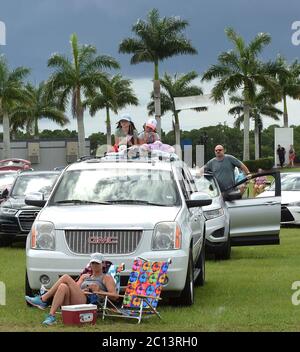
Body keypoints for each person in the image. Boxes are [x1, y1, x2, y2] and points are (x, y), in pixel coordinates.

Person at [25, 253, 117, 326]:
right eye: (92, 263)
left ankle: (43, 299)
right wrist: (81, 283)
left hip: (88, 301)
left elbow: (115, 296)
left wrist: (99, 291)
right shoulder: (85, 276)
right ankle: (51, 317)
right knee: (63, 286)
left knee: (65, 277)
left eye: (97, 263)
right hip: (76, 299)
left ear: (103, 264)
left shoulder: (106, 278)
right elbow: (74, 288)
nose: (94, 265)